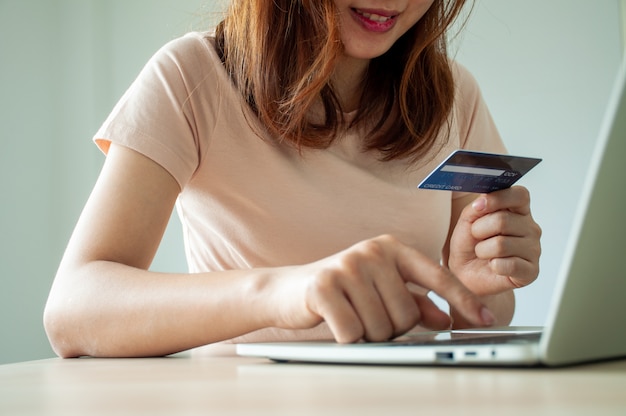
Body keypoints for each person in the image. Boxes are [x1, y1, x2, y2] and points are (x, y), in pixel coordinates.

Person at [43, 0, 541, 358]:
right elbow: (73, 311)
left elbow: (485, 316)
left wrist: (476, 292)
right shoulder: (191, 74)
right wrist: (285, 293)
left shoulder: (455, 94)